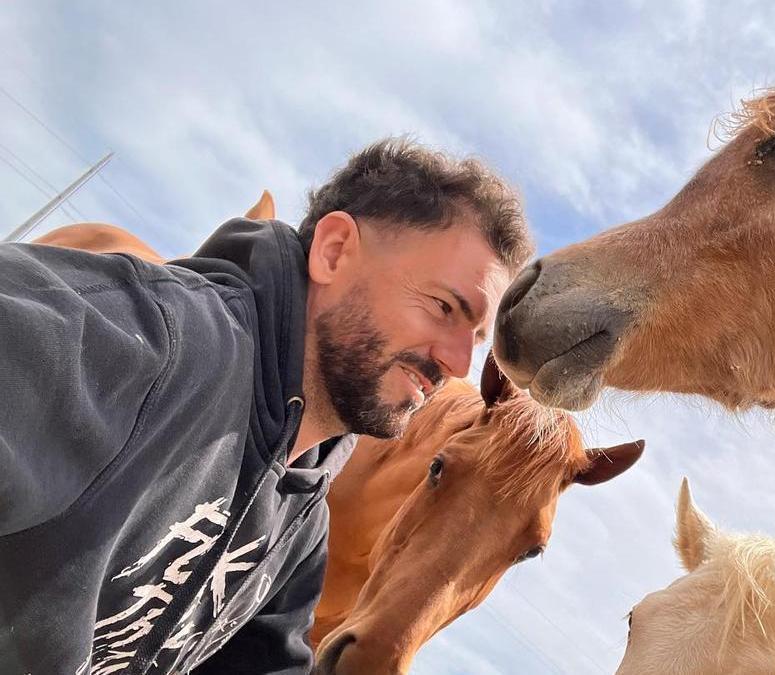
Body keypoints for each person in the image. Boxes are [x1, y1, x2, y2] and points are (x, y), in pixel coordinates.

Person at [0, 138, 533, 673]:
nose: (459, 364)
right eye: (443, 307)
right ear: (334, 252)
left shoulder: (301, 527)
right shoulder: (138, 347)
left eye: (475, 337)